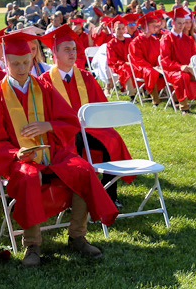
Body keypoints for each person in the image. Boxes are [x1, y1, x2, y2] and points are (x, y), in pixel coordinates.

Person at [0, 35, 118, 267]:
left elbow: (70, 121)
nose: (22, 68)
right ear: (5, 62)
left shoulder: (44, 88)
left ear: (32, 58)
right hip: (21, 159)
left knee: (83, 169)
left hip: (52, 152)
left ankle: (77, 236)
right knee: (29, 176)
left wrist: (49, 125)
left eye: (26, 62)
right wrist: (16, 154)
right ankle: (33, 245)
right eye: (15, 64)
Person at [38, 25, 133, 204]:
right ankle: (75, 197)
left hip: (89, 128)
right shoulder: (44, 81)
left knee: (111, 138)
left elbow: (101, 107)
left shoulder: (86, 77)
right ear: (54, 53)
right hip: (60, 133)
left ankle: (110, 194)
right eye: (67, 50)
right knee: (75, 144)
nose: (72, 53)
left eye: (74, 49)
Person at [157, 6, 196, 110]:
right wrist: (181, 67)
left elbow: (195, 56)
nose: (182, 26)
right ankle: (184, 106)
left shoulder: (189, 40)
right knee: (183, 77)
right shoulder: (167, 39)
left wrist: (193, 66)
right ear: (173, 23)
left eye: (184, 23)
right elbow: (165, 61)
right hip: (172, 70)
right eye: (179, 23)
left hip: (189, 69)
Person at [128, 10, 167, 104]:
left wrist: (158, 65)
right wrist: (151, 67)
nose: (156, 27)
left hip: (154, 67)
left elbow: (160, 56)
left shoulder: (155, 40)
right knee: (152, 72)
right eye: (153, 25)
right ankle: (155, 100)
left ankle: (173, 98)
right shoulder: (135, 42)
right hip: (141, 69)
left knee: (168, 69)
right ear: (145, 26)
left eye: (156, 25)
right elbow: (138, 60)